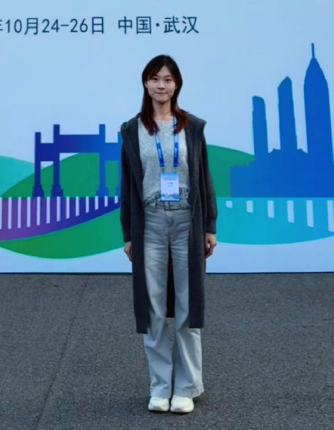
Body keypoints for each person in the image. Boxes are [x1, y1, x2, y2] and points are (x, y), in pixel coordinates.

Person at [120, 55, 218, 415]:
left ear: (177, 85)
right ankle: (160, 386)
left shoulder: (192, 127)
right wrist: (129, 232)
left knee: (188, 307)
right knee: (154, 308)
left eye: (168, 79)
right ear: (145, 83)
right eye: (155, 79)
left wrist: (209, 225)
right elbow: (127, 186)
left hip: (186, 222)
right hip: (150, 222)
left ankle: (187, 387)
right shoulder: (132, 130)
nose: (161, 85)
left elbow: (204, 177)